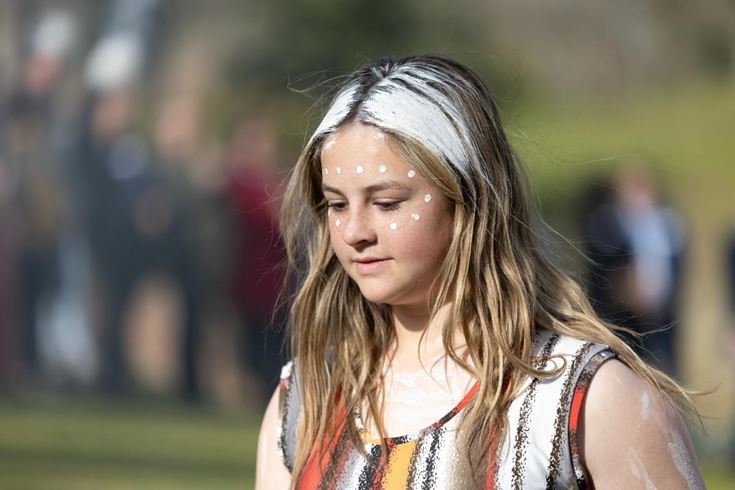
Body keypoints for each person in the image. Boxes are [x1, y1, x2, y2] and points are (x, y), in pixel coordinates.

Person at [255, 55, 704, 489]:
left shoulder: (586, 399)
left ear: (469, 199)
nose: (354, 231)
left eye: (387, 203)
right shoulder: (306, 400)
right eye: (337, 204)